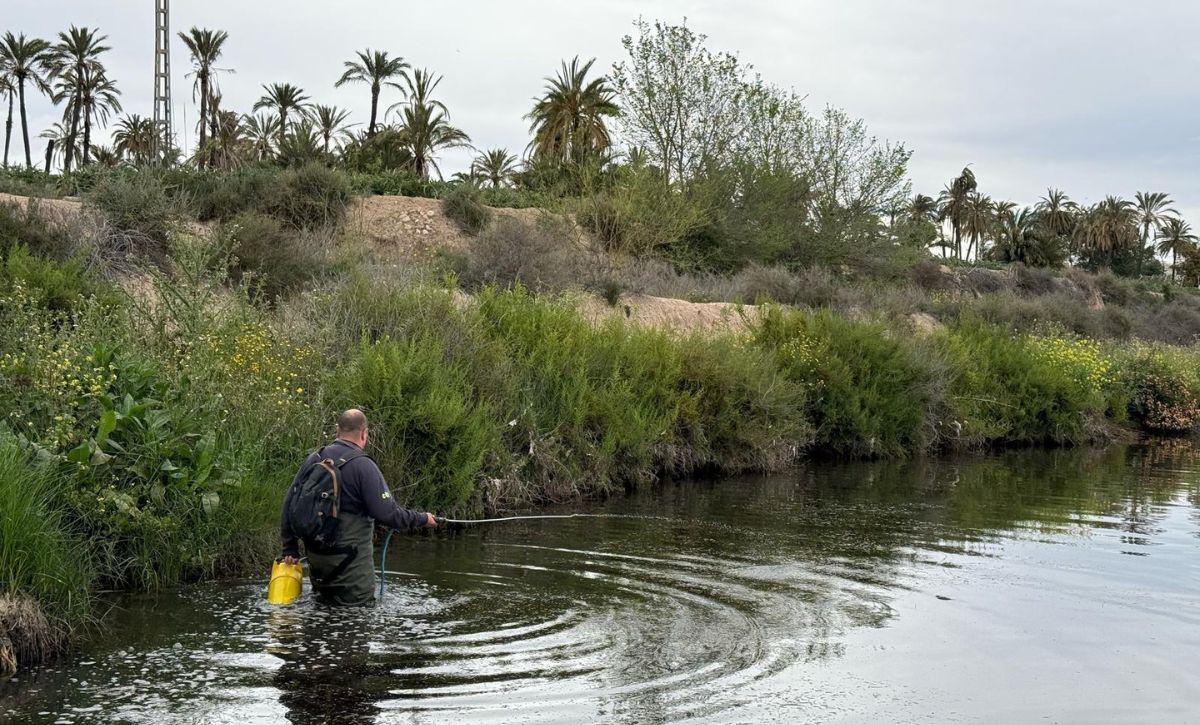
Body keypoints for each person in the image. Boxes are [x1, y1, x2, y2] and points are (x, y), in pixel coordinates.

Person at [281, 408, 436, 605]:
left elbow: (289, 502)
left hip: (319, 564)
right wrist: (422, 518)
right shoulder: (364, 466)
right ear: (364, 433)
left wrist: (290, 548)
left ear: (337, 430)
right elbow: (387, 514)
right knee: (358, 619)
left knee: (322, 615)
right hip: (351, 573)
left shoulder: (315, 458)